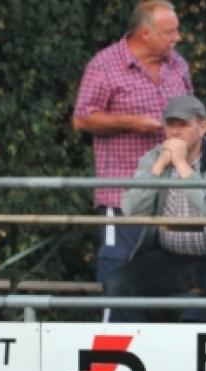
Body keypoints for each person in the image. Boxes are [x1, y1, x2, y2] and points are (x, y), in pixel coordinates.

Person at [73, 0, 193, 289]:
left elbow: (193, 111)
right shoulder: (105, 65)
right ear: (144, 34)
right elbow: (82, 118)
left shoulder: (178, 64)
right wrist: (133, 123)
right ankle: (115, 332)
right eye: (169, 32)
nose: (177, 38)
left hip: (173, 195)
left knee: (170, 276)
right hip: (122, 195)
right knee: (118, 272)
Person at [103, 95, 206, 323]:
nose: (174, 132)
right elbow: (131, 209)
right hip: (167, 256)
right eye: (170, 125)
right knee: (117, 283)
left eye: (183, 125)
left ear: (203, 127)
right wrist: (158, 169)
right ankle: (138, 349)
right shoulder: (153, 158)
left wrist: (183, 166)